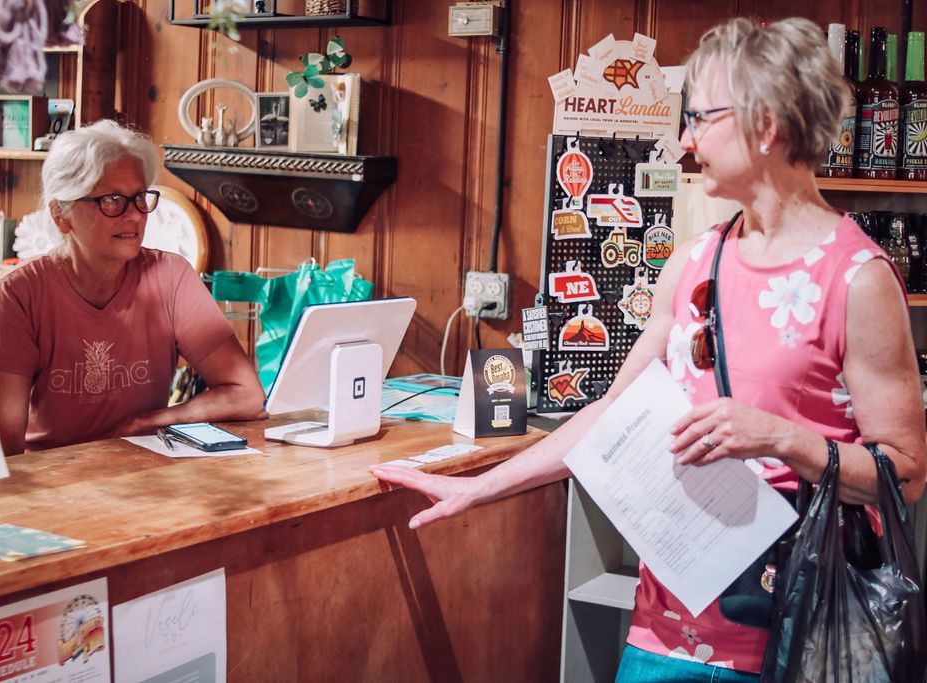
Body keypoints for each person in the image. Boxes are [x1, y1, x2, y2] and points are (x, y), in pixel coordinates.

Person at [372, 17, 927, 681]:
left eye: (699, 117)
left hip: (800, 640)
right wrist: (474, 487)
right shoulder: (691, 264)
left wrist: (781, 437)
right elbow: (609, 414)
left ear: (767, 124)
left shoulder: (858, 279)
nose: (684, 139)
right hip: (662, 635)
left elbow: (908, 473)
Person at [0, 120, 265, 454]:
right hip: (52, 486)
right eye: (112, 200)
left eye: (140, 198)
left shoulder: (171, 276)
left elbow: (247, 395)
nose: (135, 215)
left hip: (145, 474)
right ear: (61, 214)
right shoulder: (19, 294)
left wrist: (153, 421)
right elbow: (1, 449)